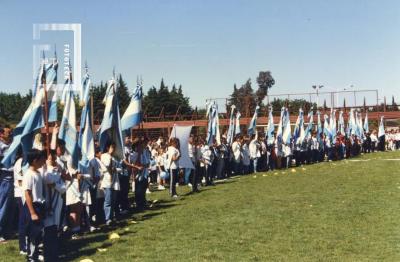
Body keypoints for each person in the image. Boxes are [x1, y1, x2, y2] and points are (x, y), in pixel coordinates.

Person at [43, 150, 68, 261]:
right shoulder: (45, 171)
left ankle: (54, 251)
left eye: (53, 158)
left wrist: (55, 185)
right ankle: (47, 253)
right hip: (48, 203)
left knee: (55, 227)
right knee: (47, 229)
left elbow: (63, 188)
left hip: (58, 202)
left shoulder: (56, 171)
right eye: (50, 159)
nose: (52, 161)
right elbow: (48, 180)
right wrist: (54, 184)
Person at [22, 149, 46, 262]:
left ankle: (37, 253)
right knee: (33, 233)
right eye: (42, 159)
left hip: (39, 206)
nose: (44, 161)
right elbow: (27, 193)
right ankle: (31, 257)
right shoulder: (29, 174)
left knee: (39, 232)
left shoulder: (38, 173)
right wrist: (32, 213)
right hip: (32, 207)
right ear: (35, 160)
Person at [100, 142, 120, 225]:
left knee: (113, 200)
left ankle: (112, 217)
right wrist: (112, 167)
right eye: (112, 147)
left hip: (114, 180)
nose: (114, 149)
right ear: (108, 147)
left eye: (114, 147)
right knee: (108, 200)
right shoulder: (104, 155)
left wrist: (115, 169)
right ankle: (107, 218)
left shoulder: (114, 157)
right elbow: (108, 166)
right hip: (107, 180)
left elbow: (116, 167)